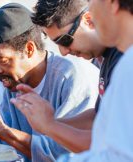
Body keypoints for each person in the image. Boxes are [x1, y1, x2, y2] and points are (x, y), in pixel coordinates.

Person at [0, 3, 100, 162]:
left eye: (2, 60)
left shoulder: (72, 78)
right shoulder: (14, 85)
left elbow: (59, 153)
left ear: (29, 49)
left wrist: (4, 131)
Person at [9, 0, 123, 154]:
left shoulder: (123, 59)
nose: (63, 52)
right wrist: (49, 121)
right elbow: (96, 117)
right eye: (56, 43)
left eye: (65, 40)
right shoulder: (108, 57)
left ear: (88, 20)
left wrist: (50, 126)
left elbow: (110, 144)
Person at [61, 0, 133, 161]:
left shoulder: (128, 66)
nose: (89, 13)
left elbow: (120, 156)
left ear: (112, 3)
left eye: (90, 2)